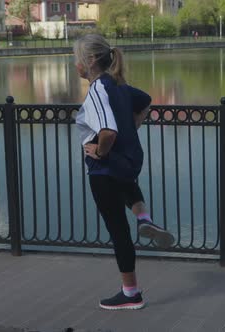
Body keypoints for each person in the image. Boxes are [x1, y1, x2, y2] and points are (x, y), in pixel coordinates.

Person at [74, 33, 174, 310]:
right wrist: (133, 126)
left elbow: (107, 131)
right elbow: (145, 101)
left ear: (91, 61)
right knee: (127, 190)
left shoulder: (97, 89)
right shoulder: (118, 84)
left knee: (118, 231)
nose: (75, 65)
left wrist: (100, 151)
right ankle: (144, 217)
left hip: (103, 168)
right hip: (127, 164)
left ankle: (131, 293)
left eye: (77, 60)